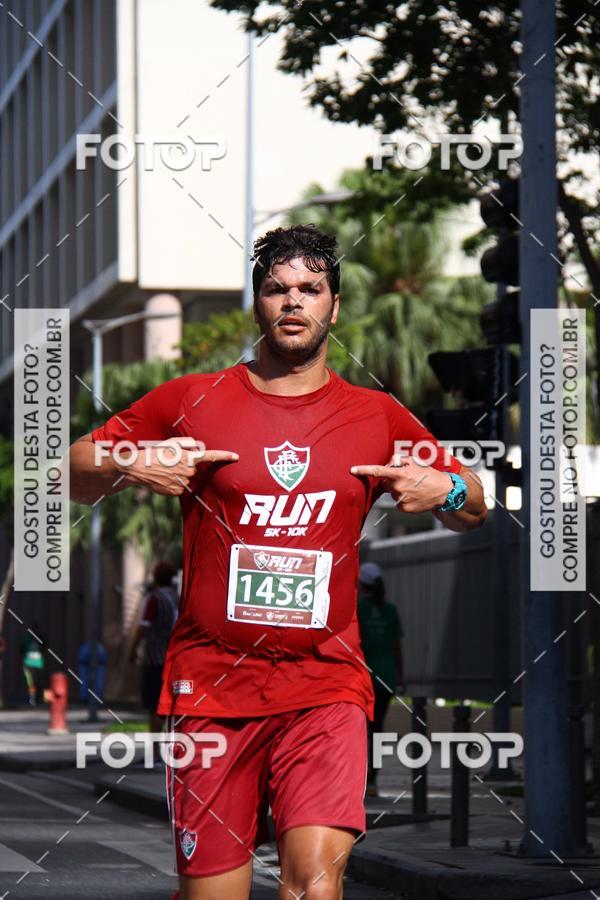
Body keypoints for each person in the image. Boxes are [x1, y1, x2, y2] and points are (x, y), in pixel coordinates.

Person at [69, 224, 487, 900]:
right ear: (259, 304)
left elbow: (477, 504)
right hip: (209, 691)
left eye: (309, 289)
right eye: (276, 289)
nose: (293, 302)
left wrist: (452, 487)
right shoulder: (192, 400)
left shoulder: (375, 414)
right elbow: (71, 468)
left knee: (314, 889)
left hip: (327, 685)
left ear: (334, 305)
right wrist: (130, 461)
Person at [357, 562, 405, 796]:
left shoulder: (358, 608)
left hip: (363, 675)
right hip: (386, 676)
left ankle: (357, 778)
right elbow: (397, 647)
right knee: (377, 728)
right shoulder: (390, 610)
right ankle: (373, 779)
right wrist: (401, 676)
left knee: (358, 729)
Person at [129, 561, 179, 738]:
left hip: (156, 659)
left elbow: (143, 627)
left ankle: (156, 752)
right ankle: (171, 749)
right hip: (176, 661)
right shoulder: (178, 597)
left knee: (155, 706)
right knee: (173, 706)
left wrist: (133, 650)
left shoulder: (154, 598)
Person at [20, 622, 45, 706]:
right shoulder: (26, 638)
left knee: (38, 682)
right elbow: (22, 650)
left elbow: (45, 646)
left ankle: (39, 699)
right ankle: (32, 698)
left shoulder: (40, 638)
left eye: (35, 628)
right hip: (28, 663)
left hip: (38, 664)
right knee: (30, 682)